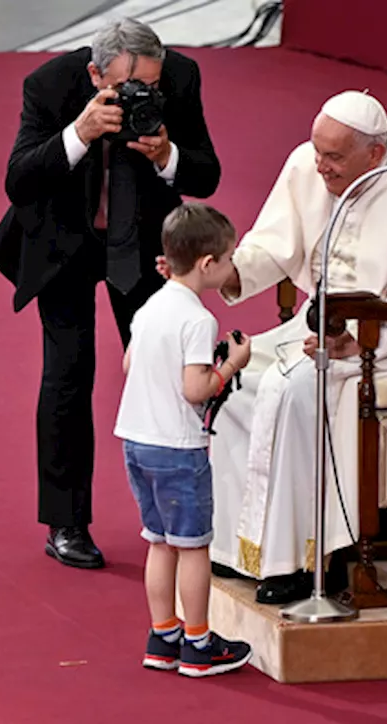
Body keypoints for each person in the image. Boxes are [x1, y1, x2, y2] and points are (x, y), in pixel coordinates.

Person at [206, 90, 387, 604]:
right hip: (323, 324)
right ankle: (241, 546)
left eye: (335, 158)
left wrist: (368, 338)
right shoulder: (308, 162)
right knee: (233, 380)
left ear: (376, 155)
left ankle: (301, 561)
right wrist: (234, 271)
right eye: (318, 151)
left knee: (295, 389)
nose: (321, 167)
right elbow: (276, 241)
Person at [0, 18, 220, 570]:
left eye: (153, 86)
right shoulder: (50, 85)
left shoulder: (183, 77)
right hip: (66, 243)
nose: (146, 95)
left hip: (141, 244)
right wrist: (81, 133)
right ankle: (66, 521)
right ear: (96, 75)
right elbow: (18, 179)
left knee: (173, 372)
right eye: (129, 87)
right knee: (68, 372)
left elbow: (206, 174)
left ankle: (199, 513)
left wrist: (167, 155)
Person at [116, 202, 254, 677]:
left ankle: (162, 634)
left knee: (158, 541)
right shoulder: (199, 320)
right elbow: (195, 389)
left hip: (136, 440)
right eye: (231, 257)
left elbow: (130, 365)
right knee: (194, 546)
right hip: (178, 445)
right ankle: (198, 643)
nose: (234, 265)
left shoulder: (150, 306)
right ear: (207, 265)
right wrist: (232, 364)